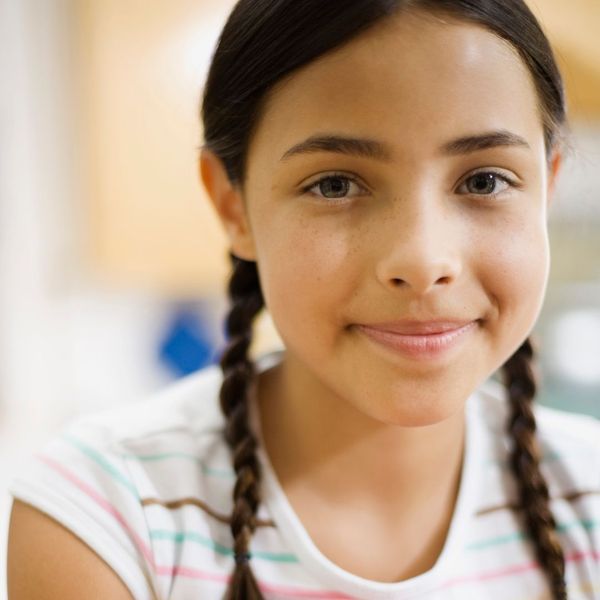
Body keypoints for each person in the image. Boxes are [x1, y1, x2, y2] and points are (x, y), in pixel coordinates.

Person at [6, 0, 600, 598]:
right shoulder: (106, 516)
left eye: (484, 180)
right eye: (335, 184)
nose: (423, 262)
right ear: (232, 205)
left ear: (545, 188)